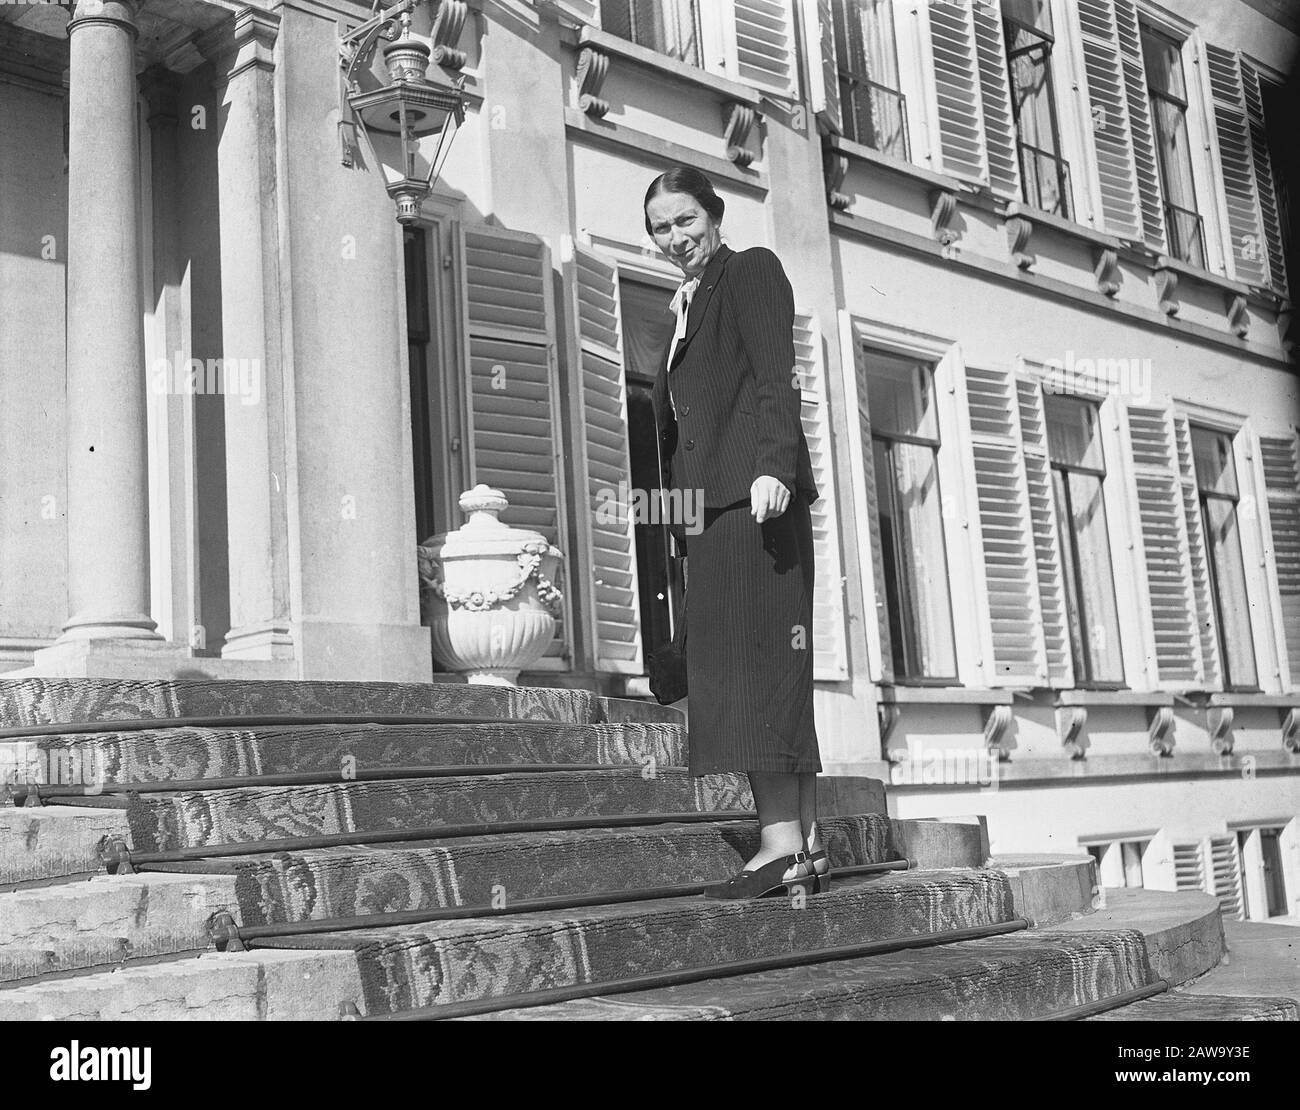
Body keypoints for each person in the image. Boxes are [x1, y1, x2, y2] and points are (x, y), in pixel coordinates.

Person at [644, 166, 827, 899]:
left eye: (685, 221)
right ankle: (801, 845)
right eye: (660, 229)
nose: (674, 238)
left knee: (761, 668)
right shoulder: (686, 308)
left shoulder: (750, 271)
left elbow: (776, 375)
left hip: (756, 501)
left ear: (714, 216)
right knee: (743, 669)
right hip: (711, 516)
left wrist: (775, 464)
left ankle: (782, 846)